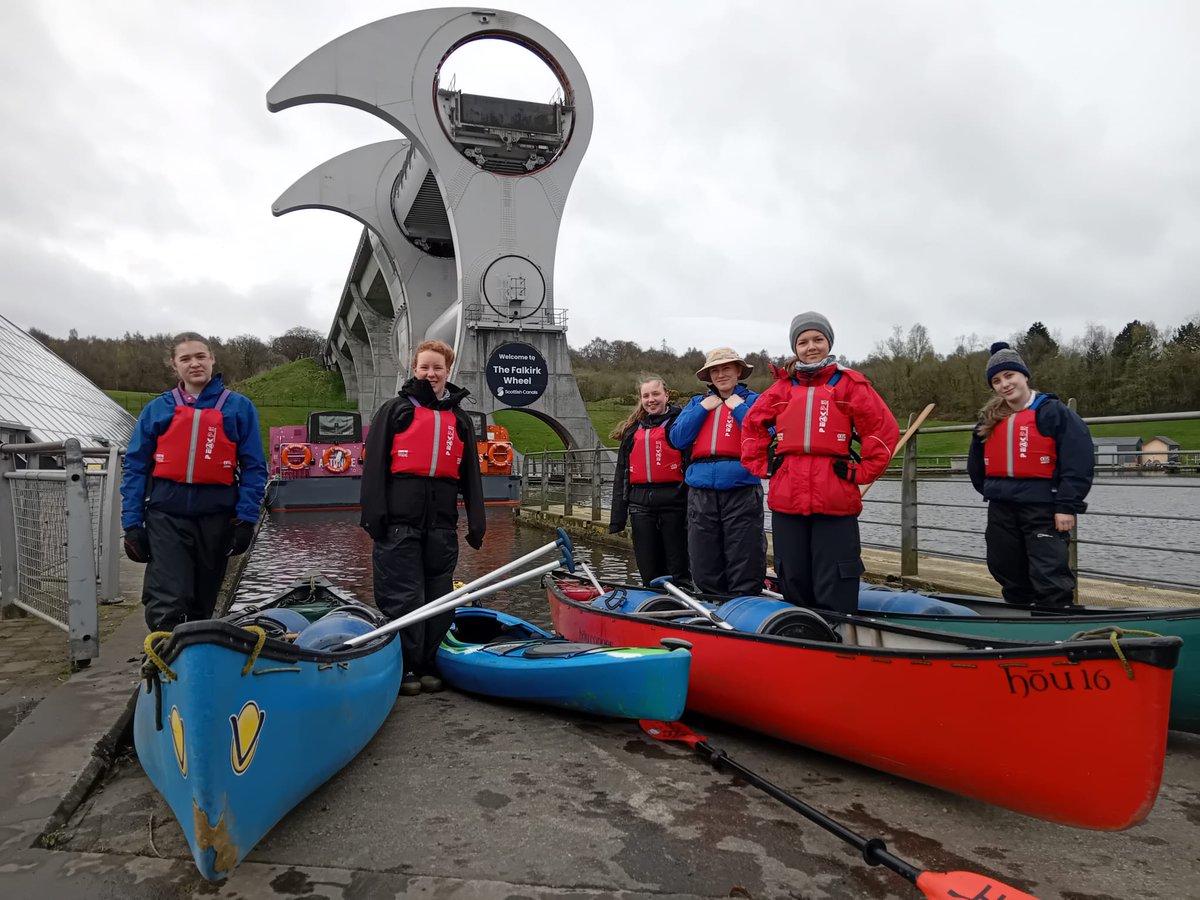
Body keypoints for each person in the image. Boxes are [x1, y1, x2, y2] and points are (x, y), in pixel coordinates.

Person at [742, 313, 898, 615]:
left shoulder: (850, 385)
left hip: (835, 498)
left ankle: (838, 632)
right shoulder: (782, 389)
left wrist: (861, 472)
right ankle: (800, 633)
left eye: (817, 340)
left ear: (828, 342)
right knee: (793, 571)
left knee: (837, 573)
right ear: (794, 347)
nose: (811, 347)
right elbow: (752, 426)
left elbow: (882, 430)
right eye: (803, 342)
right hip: (788, 498)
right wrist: (765, 465)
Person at [360, 339, 485, 696]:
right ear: (414, 369)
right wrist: (374, 518)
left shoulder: (459, 420)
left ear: (449, 371)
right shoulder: (395, 410)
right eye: (424, 367)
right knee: (403, 596)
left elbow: (470, 476)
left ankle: (429, 662)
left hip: (441, 527)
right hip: (399, 526)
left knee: (437, 597)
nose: (431, 374)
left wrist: (477, 522)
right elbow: (374, 469)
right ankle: (406, 666)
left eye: (438, 368)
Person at [120, 333, 268, 631]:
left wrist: (245, 521)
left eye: (200, 356)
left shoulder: (238, 408)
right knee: (168, 599)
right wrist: (132, 525)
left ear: (212, 359)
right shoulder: (157, 409)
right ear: (175, 365)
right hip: (166, 517)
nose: (195, 363)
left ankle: (197, 661)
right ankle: (165, 658)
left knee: (203, 601)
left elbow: (254, 467)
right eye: (185, 358)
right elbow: (135, 467)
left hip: (216, 517)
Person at [967, 342, 1094, 607]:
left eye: (1009, 376)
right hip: (1002, 505)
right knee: (1004, 565)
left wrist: (1067, 506)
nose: (1005, 384)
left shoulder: (1053, 412)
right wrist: (990, 489)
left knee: (1048, 571)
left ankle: (1056, 618)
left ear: (1024, 375)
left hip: (1043, 506)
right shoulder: (989, 419)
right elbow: (976, 463)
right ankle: (1019, 615)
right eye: (997, 380)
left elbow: (1078, 461)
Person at [667, 347, 765, 595]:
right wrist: (702, 410)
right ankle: (710, 608)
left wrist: (739, 407)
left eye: (726, 369)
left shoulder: (754, 401)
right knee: (703, 557)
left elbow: (764, 435)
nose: (721, 375)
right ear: (709, 376)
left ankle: (744, 606)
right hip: (701, 492)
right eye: (715, 370)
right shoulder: (696, 403)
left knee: (744, 554)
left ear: (738, 371)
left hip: (741, 489)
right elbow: (677, 439)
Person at [608, 375, 690, 587]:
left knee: (678, 565)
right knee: (648, 567)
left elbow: (691, 465)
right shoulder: (633, 431)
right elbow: (621, 475)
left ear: (666, 395)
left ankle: (684, 603)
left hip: (675, 505)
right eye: (646, 396)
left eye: (656, 394)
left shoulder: (679, 425)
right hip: (640, 507)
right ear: (641, 399)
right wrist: (617, 518)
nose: (651, 399)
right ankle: (653, 603)